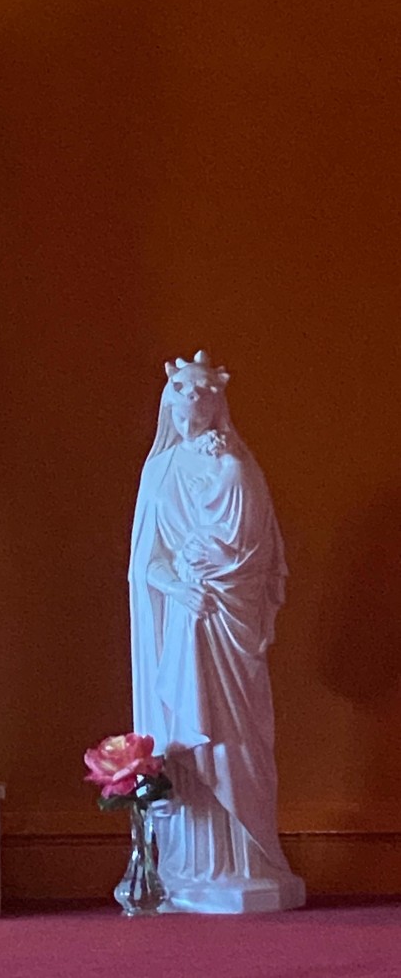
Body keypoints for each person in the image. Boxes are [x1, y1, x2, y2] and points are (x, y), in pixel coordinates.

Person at [129, 351, 305, 912]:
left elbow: (253, 552)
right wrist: (180, 589)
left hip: (230, 622)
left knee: (237, 739)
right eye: (183, 393)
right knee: (191, 735)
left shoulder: (237, 466)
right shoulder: (159, 471)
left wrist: (209, 580)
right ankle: (189, 865)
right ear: (170, 401)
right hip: (186, 619)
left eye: (203, 394)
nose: (192, 403)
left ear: (217, 403)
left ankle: (249, 859)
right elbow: (146, 563)